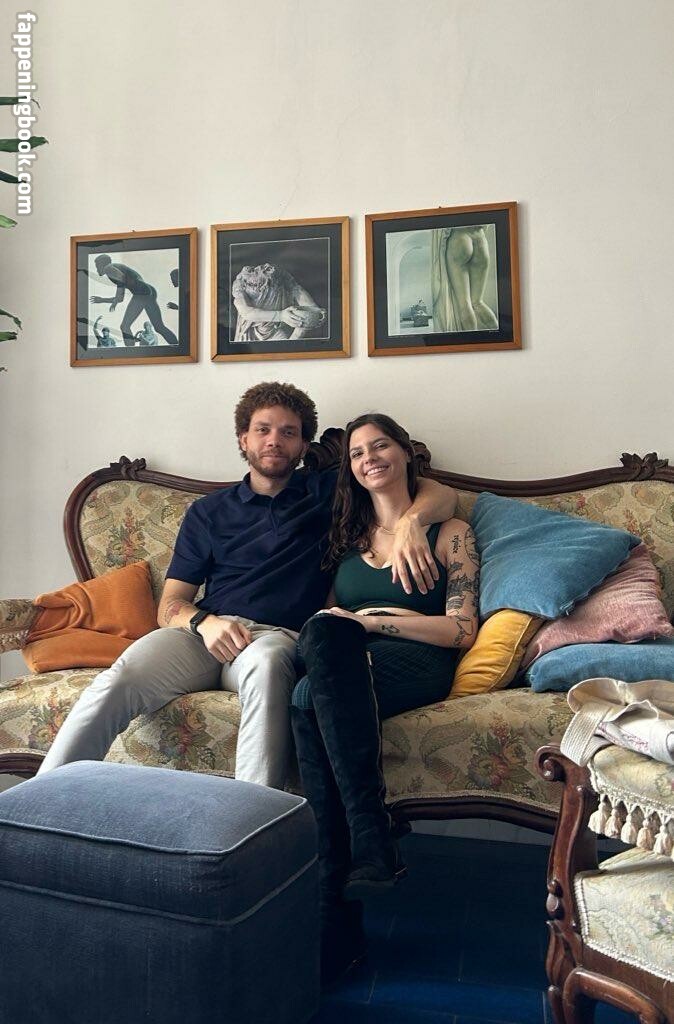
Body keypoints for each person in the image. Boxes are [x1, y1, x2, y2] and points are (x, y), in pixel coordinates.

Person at [38, 384, 458, 791]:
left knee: (268, 665)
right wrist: (205, 623)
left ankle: (256, 817)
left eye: (288, 432)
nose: (274, 440)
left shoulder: (329, 493)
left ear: (303, 446)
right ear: (244, 439)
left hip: (278, 637)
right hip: (202, 635)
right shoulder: (207, 512)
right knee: (119, 679)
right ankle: (39, 798)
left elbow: (441, 494)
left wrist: (412, 522)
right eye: (263, 429)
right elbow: (170, 605)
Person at [290, 413, 479, 985]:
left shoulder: (450, 532)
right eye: (357, 453)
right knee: (311, 676)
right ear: (349, 469)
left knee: (308, 696)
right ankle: (369, 844)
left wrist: (376, 622)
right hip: (350, 659)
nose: (369, 458)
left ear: (405, 453)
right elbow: (329, 621)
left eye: (380, 446)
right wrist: (347, 626)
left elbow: (462, 630)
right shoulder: (345, 539)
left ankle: (336, 917)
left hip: (417, 659)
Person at [90, 254, 179, 347]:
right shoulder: (115, 267)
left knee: (124, 326)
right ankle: (176, 345)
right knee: (159, 327)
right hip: (149, 290)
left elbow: (121, 281)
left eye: (97, 266)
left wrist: (108, 300)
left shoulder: (108, 268)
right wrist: (105, 300)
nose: (96, 269)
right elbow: (120, 297)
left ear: (101, 264)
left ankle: (131, 349)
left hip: (141, 292)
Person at [231, 262, 326, 342]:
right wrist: (281, 316)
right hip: (250, 331)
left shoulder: (277, 274)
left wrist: (314, 309)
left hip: (274, 329)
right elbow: (246, 312)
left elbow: (296, 289)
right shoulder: (240, 283)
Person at [431, 226, 499, 332]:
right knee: (478, 302)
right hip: (480, 240)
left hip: (459, 238)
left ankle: (473, 340)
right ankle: (499, 334)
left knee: (465, 306)